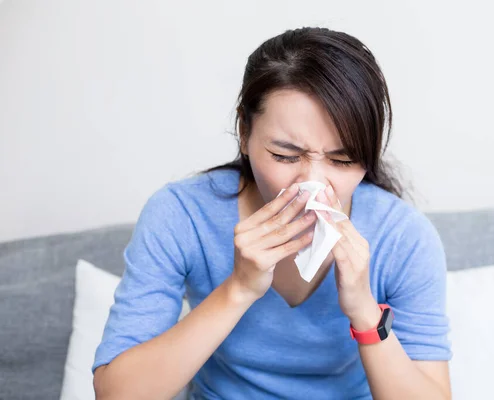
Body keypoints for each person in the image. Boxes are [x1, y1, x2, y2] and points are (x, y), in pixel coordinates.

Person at [92, 27, 452, 400]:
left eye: (342, 160)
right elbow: (116, 394)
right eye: (285, 156)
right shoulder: (182, 216)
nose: (311, 183)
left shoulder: (403, 236)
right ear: (244, 132)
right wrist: (238, 288)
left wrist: (364, 310)